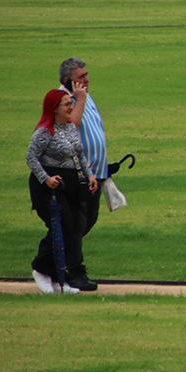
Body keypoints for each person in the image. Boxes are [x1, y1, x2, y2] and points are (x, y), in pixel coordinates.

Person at [26, 89, 98, 294]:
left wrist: (89, 175)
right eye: (67, 104)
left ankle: (58, 279)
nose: (71, 108)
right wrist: (46, 179)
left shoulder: (70, 128)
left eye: (71, 103)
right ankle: (41, 269)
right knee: (62, 228)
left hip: (72, 188)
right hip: (51, 189)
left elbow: (80, 155)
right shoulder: (44, 132)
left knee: (73, 229)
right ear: (54, 108)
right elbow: (31, 158)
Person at [59, 58, 107, 291]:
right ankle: (73, 272)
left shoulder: (84, 96)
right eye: (81, 77)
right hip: (77, 175)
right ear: (68, 81)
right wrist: (80, 99)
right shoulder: (64, 100)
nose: (87, 80)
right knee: (76, 225)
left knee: (87, 221)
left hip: (95, 172)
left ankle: (57, 261)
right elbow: (70, 127)